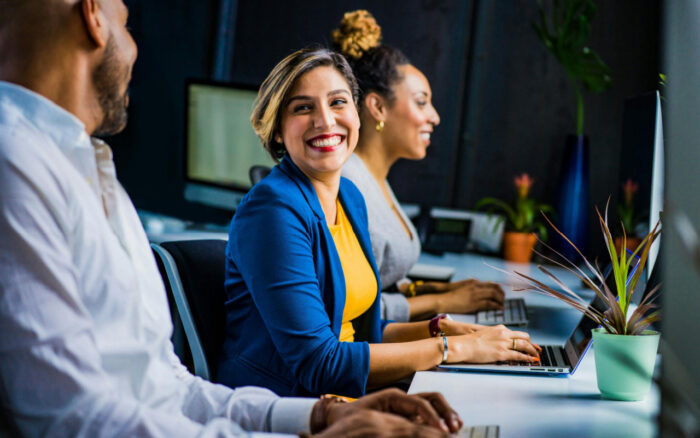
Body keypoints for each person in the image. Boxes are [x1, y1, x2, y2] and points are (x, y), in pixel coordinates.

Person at [0, 1, 463, 436]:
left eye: (339, 102)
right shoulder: (16, 165)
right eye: (126, 21)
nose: (135, 47)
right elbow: (74, 420)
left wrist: (320, 418)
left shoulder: (88, 168)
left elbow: (166, 386)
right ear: (93, 16)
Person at [217, 46, 541, 399]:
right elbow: (319, 363)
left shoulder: (350, 198)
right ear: (278, 130)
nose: (325, 120)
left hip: (346, 397)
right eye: (303, 107)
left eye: (338, 102)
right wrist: (453, 349)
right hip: (286, 406)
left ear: (357, 114)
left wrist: (444, 330)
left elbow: (362, 333)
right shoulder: (272, 210)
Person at [334, 10, 508, 323]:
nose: (434, 116)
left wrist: (435, 290)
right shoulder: (349, 186)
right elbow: (353, 312)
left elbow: (380, 281)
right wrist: (443, 302)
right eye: (421, 101)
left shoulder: (374, 179)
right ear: (378, 106)